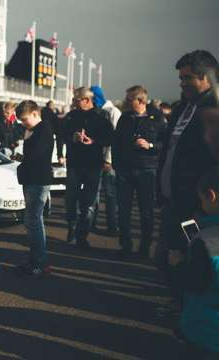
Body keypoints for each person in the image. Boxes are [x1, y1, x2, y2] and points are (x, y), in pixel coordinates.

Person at [156, 50, 218, 317]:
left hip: (197, 208)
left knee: (193, 261)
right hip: (173, 202)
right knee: (166, 256)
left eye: (187, 78)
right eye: (180, 78)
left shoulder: (214, 110)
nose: (181, 84)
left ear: (205, 77)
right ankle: (180, 303)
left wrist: (204, 205)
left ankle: (188, 311)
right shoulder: (182, 107)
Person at [168, 167, 219, 358]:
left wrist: (178, 263)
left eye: (201, 199)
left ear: (211, 196)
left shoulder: (206, 241)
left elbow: (194, 282)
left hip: (207, 332)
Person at [112, 85, 166, 258]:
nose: (126, 102)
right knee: (124, 212)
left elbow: (165, 145)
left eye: (130, 100)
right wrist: (116, 165)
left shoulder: (157, 117)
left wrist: (149, 145)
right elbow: (116, 142)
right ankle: (125, 246)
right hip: (125, 171)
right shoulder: (125, 118)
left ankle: (144, 248)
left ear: (141, 100)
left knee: (146, 212)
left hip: (147, 170)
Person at [63, 86, 114, 249]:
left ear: (86, 100)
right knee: (71, 199)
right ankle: (71, 229)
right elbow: (61, 134)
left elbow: (110, 138)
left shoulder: (102, 115)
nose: (73, 103)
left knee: (89, 202)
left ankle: (82, 235)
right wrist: (73, 137)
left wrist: (94, 141)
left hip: (93, 164)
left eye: (76, 100)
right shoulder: (71, 116)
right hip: (74, 164)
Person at [14, 100, 54, 276]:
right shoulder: (35, 130)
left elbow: (34, 156)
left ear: (35, 114)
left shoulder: (42, 131)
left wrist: (27, 140)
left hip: (37, 180)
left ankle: (40, 262)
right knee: (32, 222)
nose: (24, 123)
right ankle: (35, 260)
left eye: (25, 120)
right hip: (33, 179)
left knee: (34, 221)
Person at [91, 86, 122, 235]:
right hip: (97, 158)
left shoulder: (113, 112)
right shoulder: (97, 111)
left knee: (110, 194)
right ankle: (92, 223)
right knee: (94, 193)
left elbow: (115, 138)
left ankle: (112, 226)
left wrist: (108, 160)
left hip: (109, 161)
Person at [41, 100, 65, 165]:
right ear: (49, 105)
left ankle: (59, 158)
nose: (54, 106)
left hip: (53, 130)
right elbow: (55, 118)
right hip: (51, 130)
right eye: (52, 104)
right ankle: (59, 158)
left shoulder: (51, 111)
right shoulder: (47, 110)